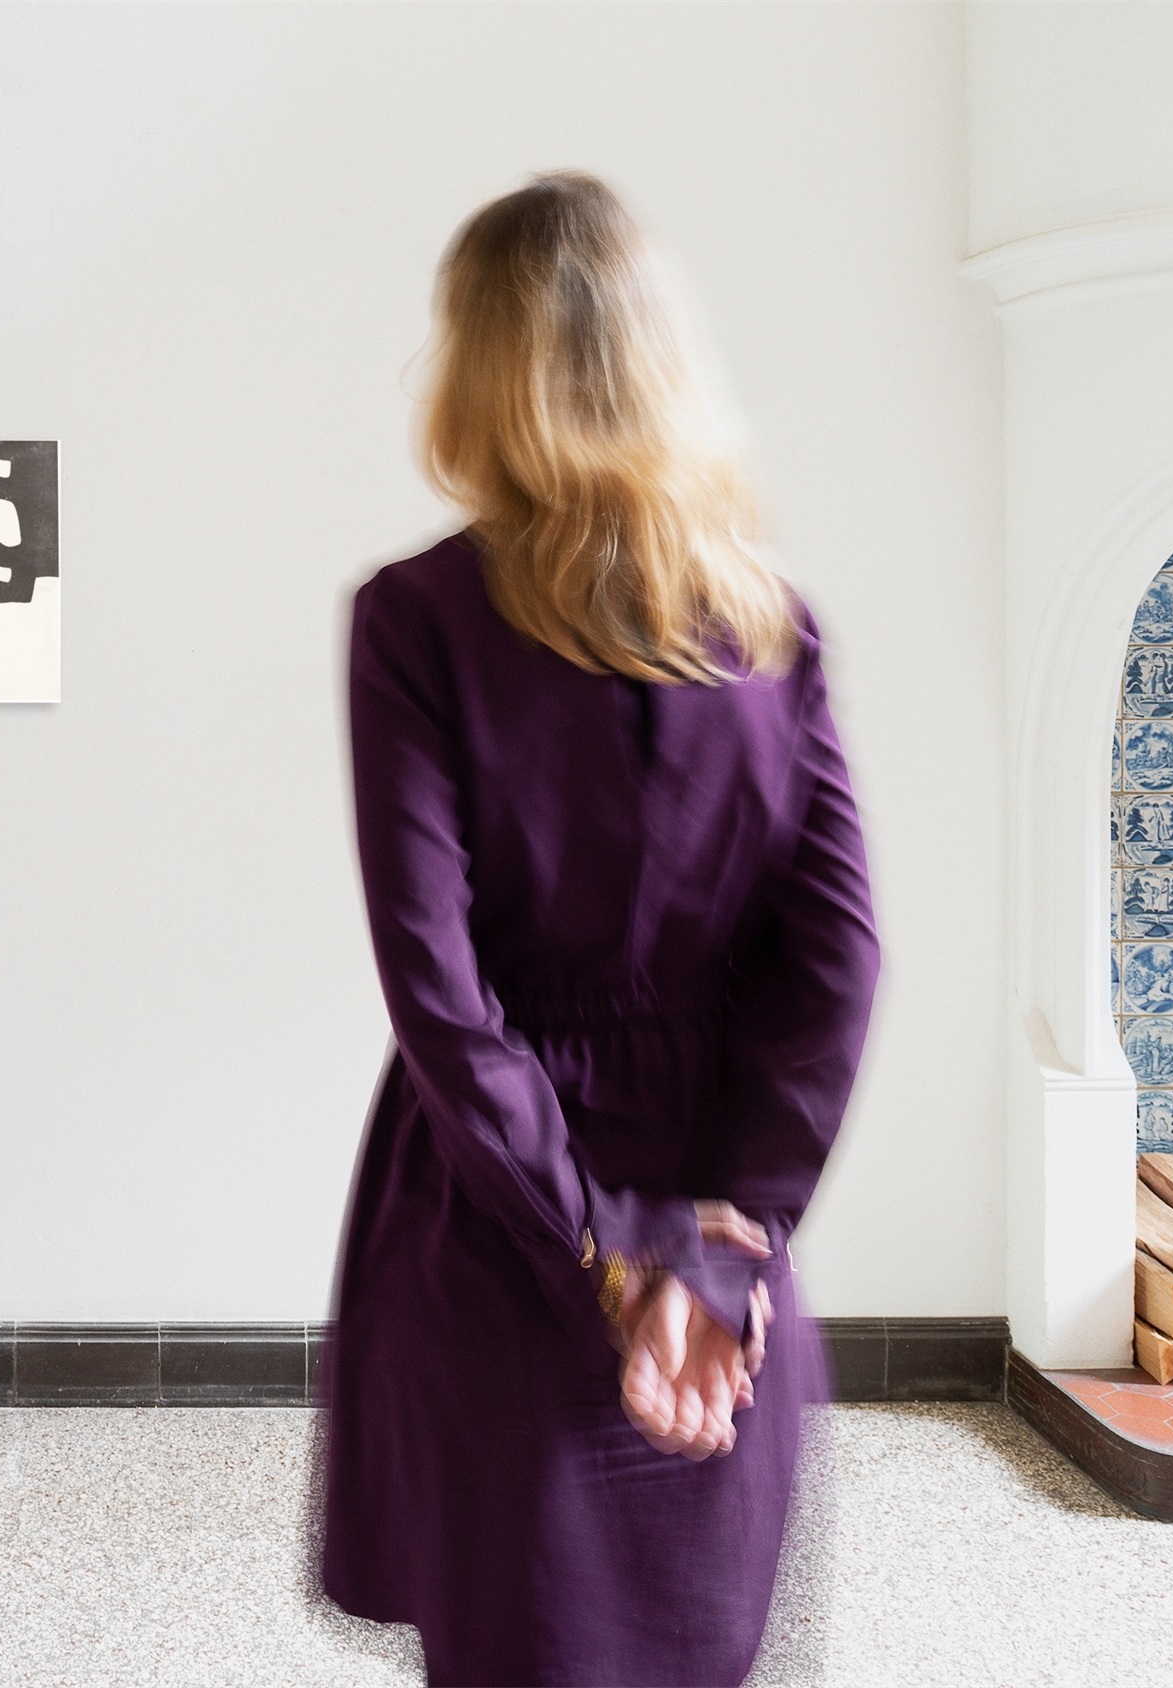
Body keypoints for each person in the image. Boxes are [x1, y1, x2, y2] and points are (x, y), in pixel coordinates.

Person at [317, 173, 880, 1687]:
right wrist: (726, 1237)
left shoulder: (415, 621)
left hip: (505, 1213)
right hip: (715, 1194)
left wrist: (608, 1241)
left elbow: (443, 993)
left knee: (523, 1631)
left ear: (476, 367)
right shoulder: (777, 625)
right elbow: (832, 964)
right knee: (693, 1634)